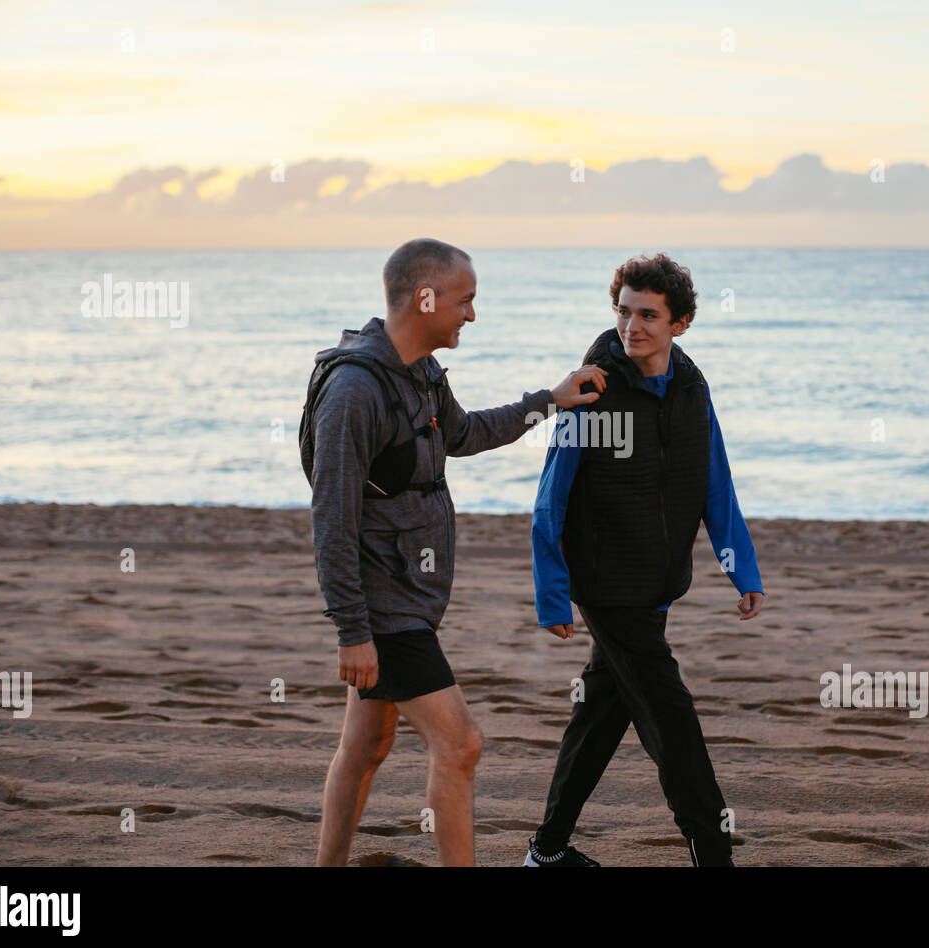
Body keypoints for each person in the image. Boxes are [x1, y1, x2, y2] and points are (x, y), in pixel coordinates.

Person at [305, 238, 607, 866]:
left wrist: (547, 402)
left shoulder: (420, 371)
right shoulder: (355, 393)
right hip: (383, 607)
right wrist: (352, 630)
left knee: (366, 743)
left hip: (409, 597)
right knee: (461, 743)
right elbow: (332, 519)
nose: (472, 314)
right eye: (465, 300)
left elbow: (464, 433)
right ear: (425, 297)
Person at [526, 252, 764, 867]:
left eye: (649, 315)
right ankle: (714, 853)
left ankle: (546, 854)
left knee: (600, 714)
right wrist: (553, 592)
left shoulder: (691, 387)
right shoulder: (592, 389)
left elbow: (715, 482)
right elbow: (550, 499)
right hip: (606, 583)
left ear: (680, 323)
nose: (633, 326)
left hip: (657, 581)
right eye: (624, 312)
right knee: (671, 720)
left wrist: (741, 567)